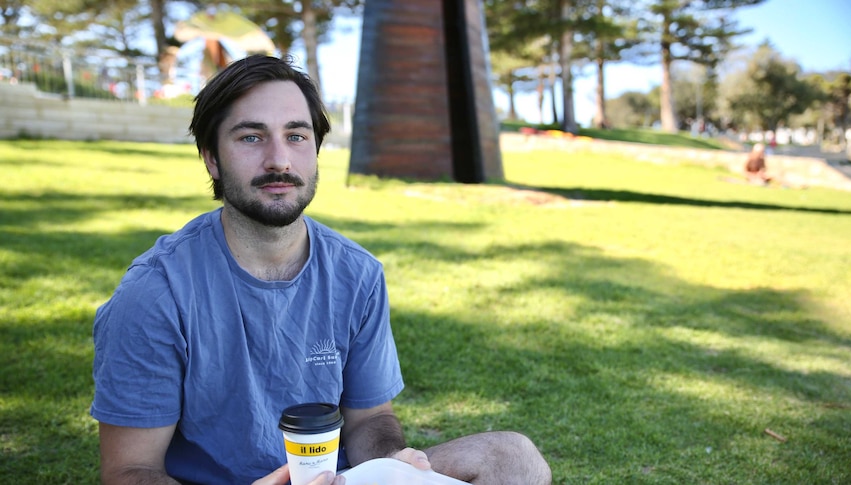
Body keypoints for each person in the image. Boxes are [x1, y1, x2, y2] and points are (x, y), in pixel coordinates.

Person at [90, 54, 552, 485]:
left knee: (514, 456)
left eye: (296, 135)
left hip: (338, 480)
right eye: (251, 137)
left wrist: (388, 462)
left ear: (315, 150)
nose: (279, 160)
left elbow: (370, 418)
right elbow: (131, 470)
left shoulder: (357, 274)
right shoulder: (156, 291)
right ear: (211, 157)